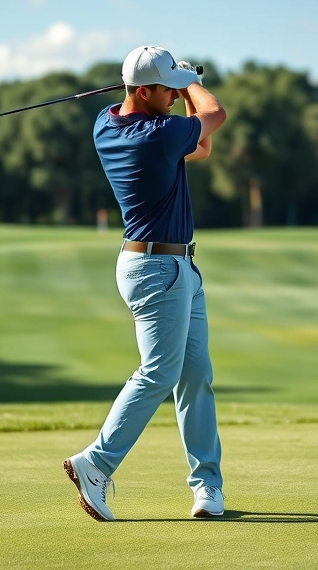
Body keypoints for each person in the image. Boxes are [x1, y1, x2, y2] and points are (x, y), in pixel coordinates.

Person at [63, 45, 227, 521]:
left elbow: (203, 145)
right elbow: (216, 113)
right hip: (160, 270)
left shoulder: (106, 123)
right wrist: (191, 79)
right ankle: (97, 462)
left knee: (195, 377)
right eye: (168, 89)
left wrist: (170, 81)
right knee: (160, 373)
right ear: (145, 90)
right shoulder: (156, 136)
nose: (176, 97)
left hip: (176, 268)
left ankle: (207, 487)